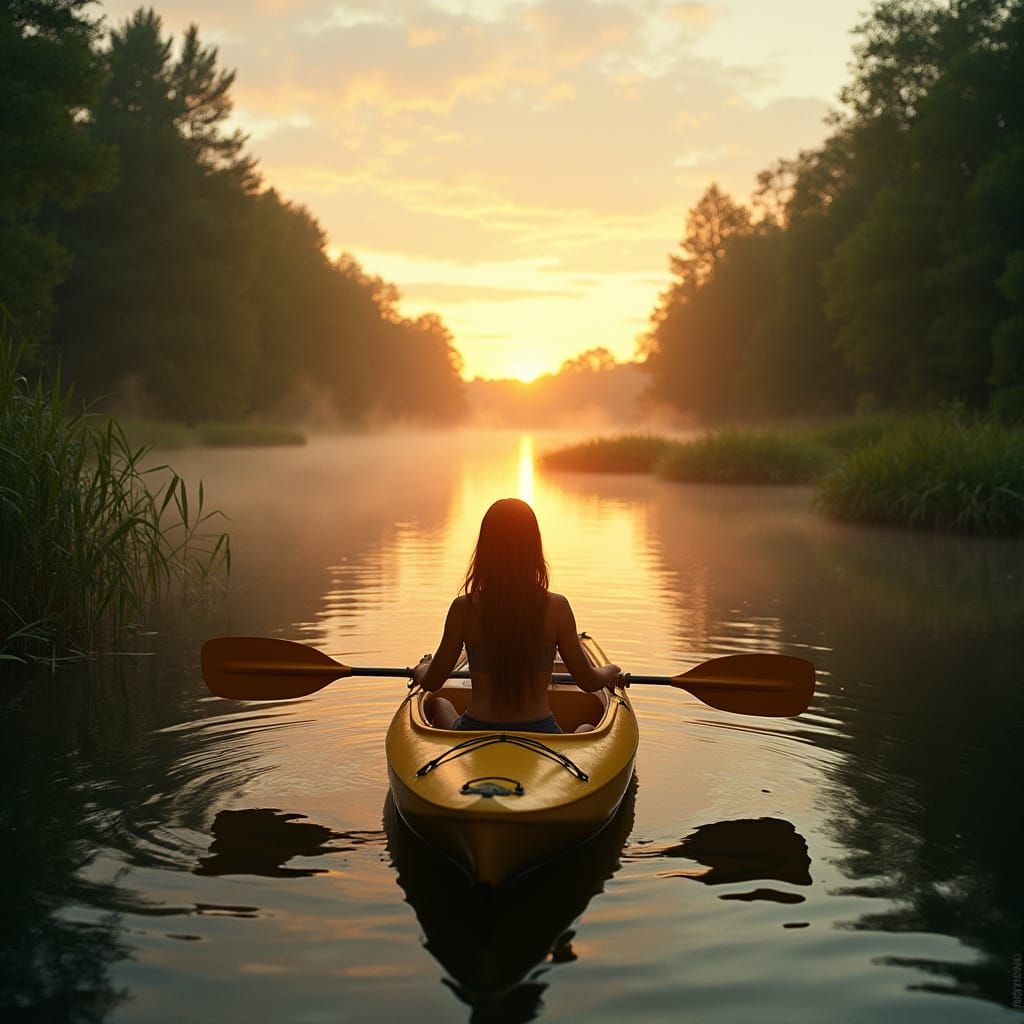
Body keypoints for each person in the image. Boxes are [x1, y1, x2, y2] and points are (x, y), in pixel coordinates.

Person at [412, 497, 624, 734]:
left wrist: (422, 667)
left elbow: (431, 682)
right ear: (533, 548)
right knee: (585, 727)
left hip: (474, 730)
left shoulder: (463, 608)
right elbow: (589, 682)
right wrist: (611, 670)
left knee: (439, 703)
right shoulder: (557, 607)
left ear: (485, 549)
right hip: (541, 732)